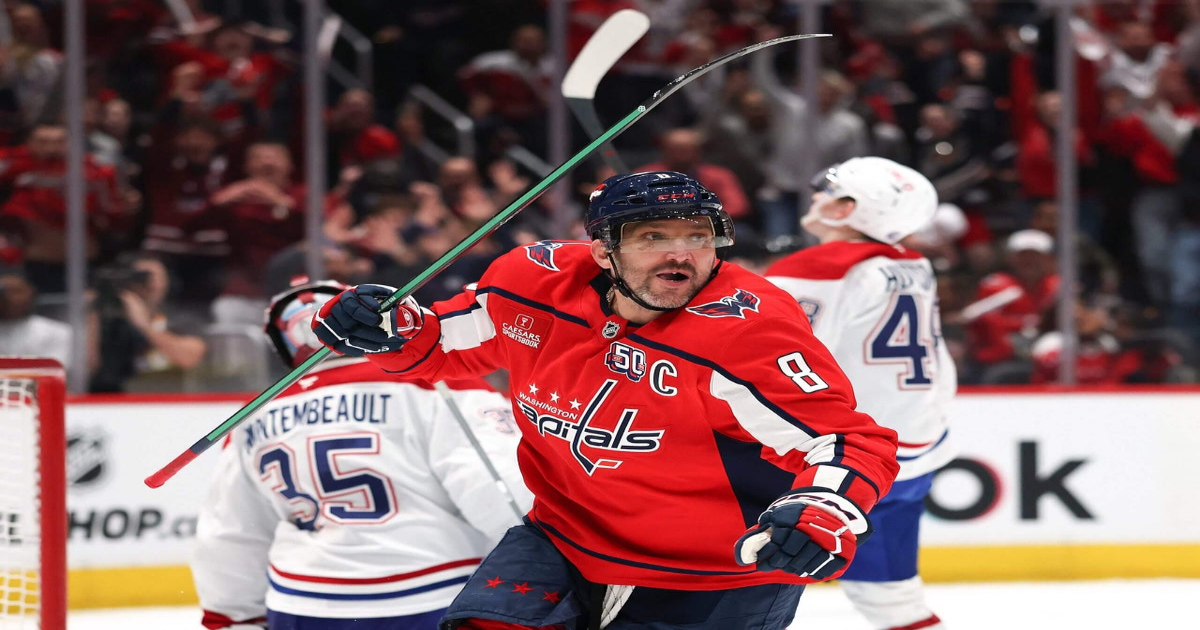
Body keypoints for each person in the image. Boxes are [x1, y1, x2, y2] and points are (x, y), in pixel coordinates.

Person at [311, 170, 900, 630]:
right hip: (565, 537)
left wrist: (824, 507)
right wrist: (383, 326)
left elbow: (847, 440)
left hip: (713, 571)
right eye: (653, 238)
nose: (680, 255)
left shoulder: (747, 329)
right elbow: (443, 342)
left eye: (698, 236)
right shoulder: (532, 282)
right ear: (601, 251)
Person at [191, 278, 533, 630]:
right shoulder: (432, 382)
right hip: (435, 596)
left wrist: (232, 615)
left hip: (303, 604)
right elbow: (500, 489)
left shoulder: (255, 417)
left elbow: (231, 532)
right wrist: (546, 566)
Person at [764, 157, 954, 630]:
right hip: (914, 446)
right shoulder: (913, 264)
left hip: (847, 459)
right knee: (892, 597)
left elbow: (768, 355)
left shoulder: (819, 267)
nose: (815, 195)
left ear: (847, 208)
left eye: (827, 189)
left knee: (724, 580)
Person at [0, 268, 71, 366]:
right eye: (3, 292)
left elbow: (55, 369)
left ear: (31, 293)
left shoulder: (57, 332)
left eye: (15, 291)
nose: (8, 297)